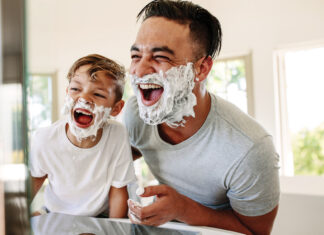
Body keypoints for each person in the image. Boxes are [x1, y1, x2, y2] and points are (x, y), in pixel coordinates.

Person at [123, 1, 280, 234]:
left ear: (202, 69)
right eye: (136, 56)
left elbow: (257, 231)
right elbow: (117, 158)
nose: (139, 70)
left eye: (160, 57)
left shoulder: (250, 148)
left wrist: (184, 210)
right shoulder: (136, 114)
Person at [29, 54, 136, 218]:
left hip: (99, 217)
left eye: (99, 94)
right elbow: (28, 189)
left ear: (116, 108)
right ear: (67, 94)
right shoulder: (45, 139)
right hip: (55, 214)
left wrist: (116, 229)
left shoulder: (117, 135)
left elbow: (118, 192)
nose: (84, 98)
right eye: (75, 89)